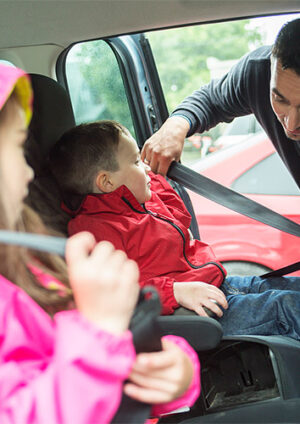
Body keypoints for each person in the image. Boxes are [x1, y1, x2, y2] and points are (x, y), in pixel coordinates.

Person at [0, 64, 201, 423]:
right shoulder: (89, 232)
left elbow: (108, 361)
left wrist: (176, 370)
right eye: (17, 147)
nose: (30, 171)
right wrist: (100, 333)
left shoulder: (30, 264)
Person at [49, 120, 300, 341]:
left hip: (214, 283)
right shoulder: (94, 230)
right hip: (190, 310)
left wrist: (155, 177)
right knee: (286, 306)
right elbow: (114, 291)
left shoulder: (139, 204)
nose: (145, 168)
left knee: (290, 287)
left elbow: (180, 219)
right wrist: (174, 292)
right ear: (107, 182)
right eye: (136, 161)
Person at [141, 18, 300, 187]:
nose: (291, 124)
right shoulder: (259, 73)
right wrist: (175, 127)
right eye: (279, 99)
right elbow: (211, 100)